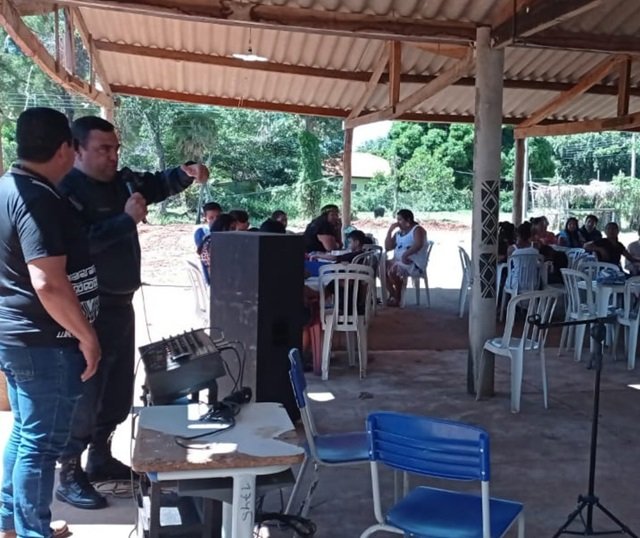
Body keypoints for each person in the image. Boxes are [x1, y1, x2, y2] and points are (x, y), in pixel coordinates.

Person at [57, 116, 209, 510]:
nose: (113, 156)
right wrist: (125, 220)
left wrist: (185, 173)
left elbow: (155, 184)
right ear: (76, 150)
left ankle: (100, 456)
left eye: (116, 148)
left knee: (117, 389)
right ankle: (68, 473)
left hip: (121, 303)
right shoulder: (65, 191)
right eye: (103, 149)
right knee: (85, 392)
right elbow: (79, 246)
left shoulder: (122, 182)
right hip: (87, 309)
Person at [0, 108, 100, 538]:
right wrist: (87, 336)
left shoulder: (8, 187)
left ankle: (12, 522)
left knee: (27, 434)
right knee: (41, 446)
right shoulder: (37, 199)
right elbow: (48, 282)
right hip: (44, 342)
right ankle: (33, 531)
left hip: (21, 337)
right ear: (65, 150)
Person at [384, 209, 428, 307]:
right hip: (399, 261)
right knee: (380, 267)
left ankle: (398, 297)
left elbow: (418, 244)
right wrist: (390, 231)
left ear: (408, 220)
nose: (398, 223)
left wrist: (405, 255)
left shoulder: (417, 230)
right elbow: (388, 247)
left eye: (400, 220)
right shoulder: (399, 233)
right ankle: (393, 294)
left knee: (394, 269)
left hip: (413, 264)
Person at [199, 213, 238, 282]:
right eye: (232, 228)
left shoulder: (210, 239)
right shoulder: (214, 243)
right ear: (223, 228)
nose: (235, 232)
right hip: (218, 282)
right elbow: (221, 266)